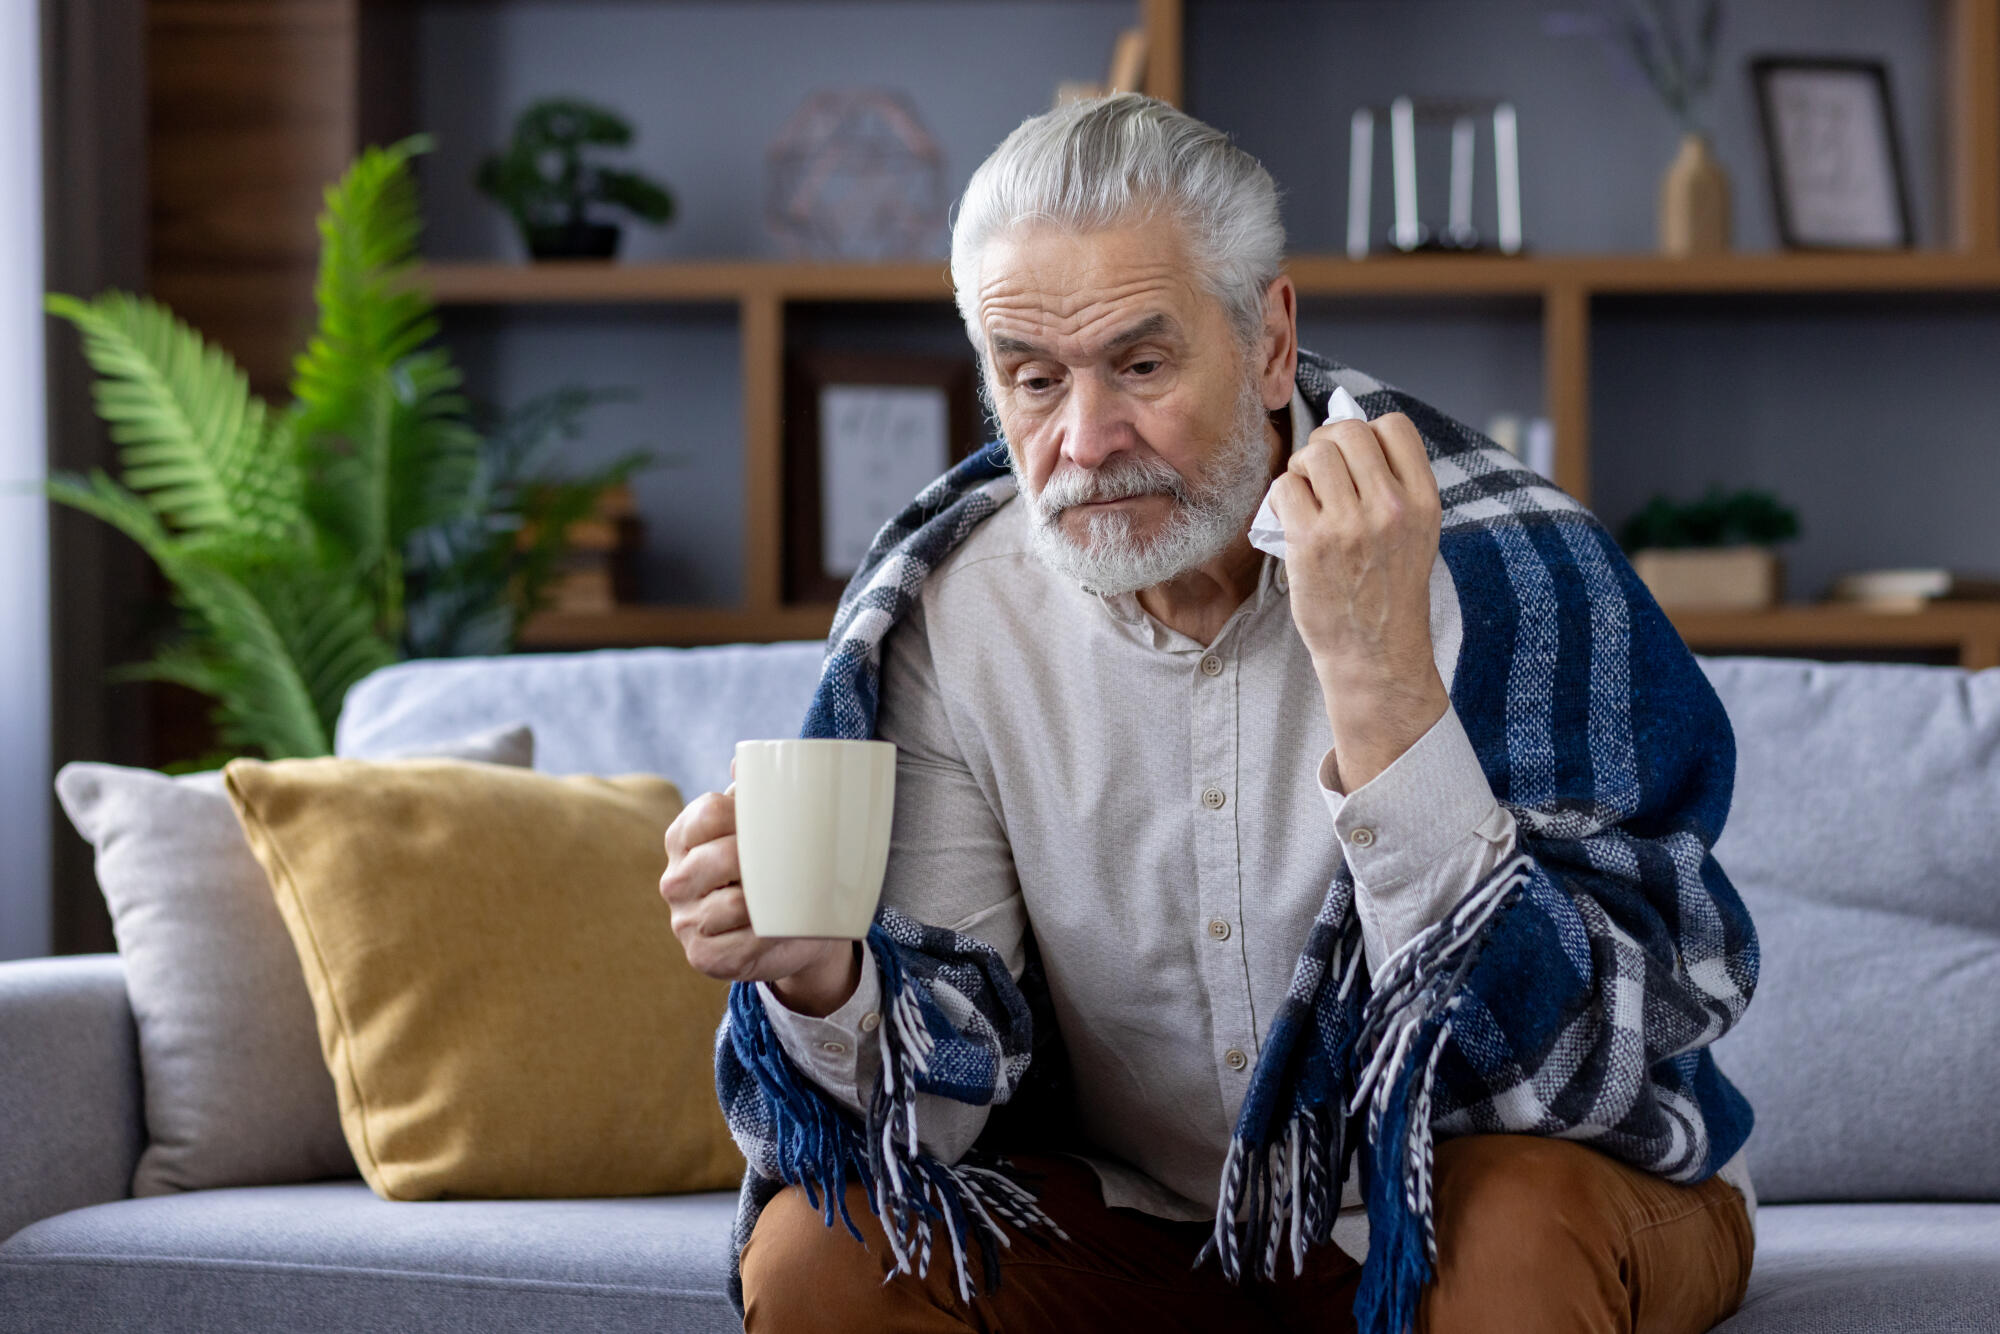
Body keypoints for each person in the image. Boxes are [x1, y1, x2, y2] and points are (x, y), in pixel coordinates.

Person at [661, 93, 1758, 1334]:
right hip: (1153, 1223)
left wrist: (1379, 672)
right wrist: (826, 979)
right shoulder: (947, 609)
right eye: (1030, 378)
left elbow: (1572, 1068)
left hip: (1502, 1185)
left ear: (1270, 341)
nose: (1083, 441)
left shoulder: (1504, 564)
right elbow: (944, 1093)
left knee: (1509, 1228)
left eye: (1139, 364)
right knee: (826, 1255)